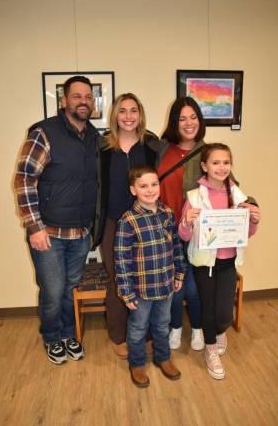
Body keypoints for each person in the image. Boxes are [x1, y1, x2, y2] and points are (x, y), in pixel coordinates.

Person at [14, 76, 102, 365]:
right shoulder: (44, 132)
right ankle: (52, 338)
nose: (83, 101)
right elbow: (24, 179)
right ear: (64, 101)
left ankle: (67, 335)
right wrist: (34, 226)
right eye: (76, 96)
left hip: (79, 234)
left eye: (88, 97)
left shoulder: (94, 138)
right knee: (52, 292)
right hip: (47, 234)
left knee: (68, 290)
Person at [178, 143, 260, 380]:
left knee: (225, 313)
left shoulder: (238, 196)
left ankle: (219, 331)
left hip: (228, 262)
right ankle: (210, 348)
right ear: (204, 166)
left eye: (226, 162)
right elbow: (183, 235)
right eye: (215, 162)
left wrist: (253, 220)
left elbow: (247, 233)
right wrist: (186, 222)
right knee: (208, 308)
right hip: (204, 263)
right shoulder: (194, 197)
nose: (221, 167)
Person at [100, 93, 162, 358]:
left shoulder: (152, 145)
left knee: (143, 278)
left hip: (145, 223)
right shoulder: (102, 146)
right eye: (122, 111)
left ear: (140, 113)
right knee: (118, 278)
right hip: (113, 223)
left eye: (133, 110)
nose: (128, 116)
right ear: (115, 115)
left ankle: (145, 332)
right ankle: (118, 334)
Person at [114, 166, 187, 387]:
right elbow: (121, 260)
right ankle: (136, 363)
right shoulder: (127, 221)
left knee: (162, 324)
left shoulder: (167, 213)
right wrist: (126, 292)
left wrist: (180, 272)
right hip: (141, 290)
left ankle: (162, 358)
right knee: (137, 328)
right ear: (133, 190)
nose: (150, 190)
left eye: (154, 184)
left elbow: (176, 245)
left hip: (165, 285)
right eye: (143, 186)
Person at [157, 97, 206, 351]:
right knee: (173, 286)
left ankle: (196, 328)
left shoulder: (208, 152)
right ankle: (176, 326)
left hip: (195, 232)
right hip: (165, 231)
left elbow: (231, 186)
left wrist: (249, 204)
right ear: (174, 122)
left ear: (200, 119)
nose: (188, 123)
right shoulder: (161, 149)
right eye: (182, 118)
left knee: (193, 287)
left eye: (193, 117)